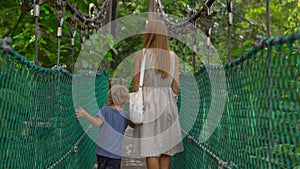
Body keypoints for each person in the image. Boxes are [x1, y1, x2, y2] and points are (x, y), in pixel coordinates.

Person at [132, 20, 184, 169]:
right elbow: (176, 86)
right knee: (166, 150)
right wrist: (171, 100)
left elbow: (136, 84)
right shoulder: (173, 56)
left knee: (151, 150)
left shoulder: (142, 55)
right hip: (168, 103)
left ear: (150, 34)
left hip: (148, 103)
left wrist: (138, 102)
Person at [75, 84, 131, 169]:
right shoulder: (126, 115)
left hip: (102, 151)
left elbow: (97, 123)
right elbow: (133, 125)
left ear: (110, 96)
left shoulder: (105, 110)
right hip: (116, 154)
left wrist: (85, 114)